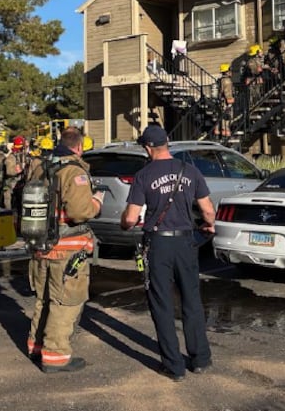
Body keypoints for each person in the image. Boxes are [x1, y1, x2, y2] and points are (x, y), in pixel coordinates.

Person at [120, 124, 215, 381]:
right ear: (167, 143)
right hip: (186, 242)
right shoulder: (190, 171)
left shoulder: (144, 175)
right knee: (191, 299)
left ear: (148, 148)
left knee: (161, 303)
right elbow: (208, 211)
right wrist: (208, 225)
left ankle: (174, 366)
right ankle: (200, 358)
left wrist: (124, 223)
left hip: (158, 244)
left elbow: (131, 217)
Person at [26, 126, 104, 373]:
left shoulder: (42, 167)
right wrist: (97, 202)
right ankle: (55, 356)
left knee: (44, 300)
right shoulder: (75, 172)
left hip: (41, 247)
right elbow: (79, 212)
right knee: (65, 302)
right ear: (79, 147)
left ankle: (37, 346)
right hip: (66, 250)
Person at [2, 135, 27, 209]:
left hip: (17, 186)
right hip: (10, 186)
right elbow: (9, 171)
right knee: (9, 205)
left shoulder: (18, 157)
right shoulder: (11, 158)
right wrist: (18, 171)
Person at [217, 63, 234, 138]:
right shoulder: (227, 81)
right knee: (228, 116)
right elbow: (227, 92)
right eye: (230, 71)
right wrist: (229, 100)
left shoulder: (221, 80)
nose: (231, 72)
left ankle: (223, 132)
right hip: (226, 102)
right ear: (226, 72)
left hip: (222, 101)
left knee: (223, 116)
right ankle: (227, 131)